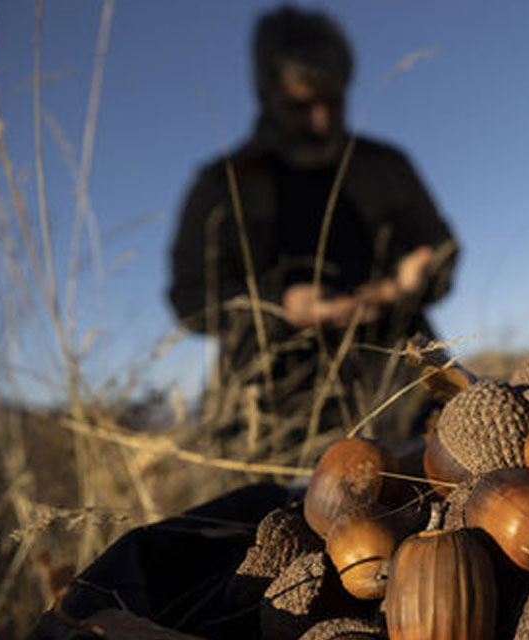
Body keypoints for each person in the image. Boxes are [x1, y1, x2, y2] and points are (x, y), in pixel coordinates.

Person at [167, 5, 457, 461]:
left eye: (334, 102)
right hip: (272, 419)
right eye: (301, 105)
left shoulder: (386, 167)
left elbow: (441, 250)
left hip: (400, 395)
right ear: (266, 94)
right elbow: (189, 298)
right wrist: (277, 305)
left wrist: (409, 284)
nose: (321, 120)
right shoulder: (223, 186)